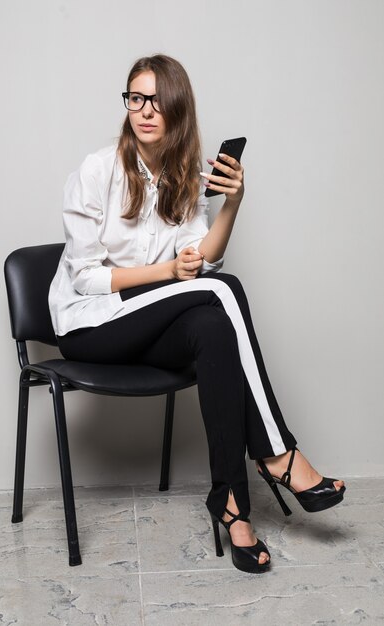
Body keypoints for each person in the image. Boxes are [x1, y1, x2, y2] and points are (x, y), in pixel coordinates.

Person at [49, 54, 345, 574]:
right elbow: (85, 278)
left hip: (148, 321)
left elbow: (203, 260)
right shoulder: (98, 170)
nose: (144, 110)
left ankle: (233, 507)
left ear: (178, 108)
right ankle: (279, 455)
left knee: (212, 321)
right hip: (90, 325)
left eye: (157, 100)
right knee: (222, 291)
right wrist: (169, 271)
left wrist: (232, 204)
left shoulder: (184, 176)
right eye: (135, 98)